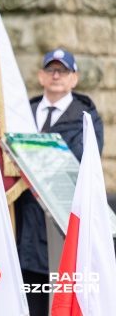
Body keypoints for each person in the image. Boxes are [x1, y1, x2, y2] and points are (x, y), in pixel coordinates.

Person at [15, 48, 103, 316]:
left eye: (63, 71)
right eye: (51, 70)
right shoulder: (22, 112)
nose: (56, 76)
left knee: (60, 302)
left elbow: (79, 167)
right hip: (23, 224)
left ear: (74, 79)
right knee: (27, 301)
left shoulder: (87, 118)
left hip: (62, 226)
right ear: (41, 77)